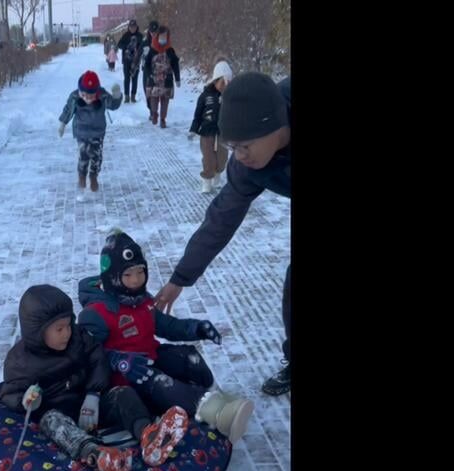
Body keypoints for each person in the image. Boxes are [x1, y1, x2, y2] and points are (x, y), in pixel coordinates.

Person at [154, 72, 293, 396]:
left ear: (274, 127)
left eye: (244, 146)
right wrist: (180, 278)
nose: (239, 156)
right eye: (232, 147)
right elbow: (220, 219)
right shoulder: (247, 167)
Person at [0, 285, 192, 471]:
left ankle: (149, 436)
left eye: (68, 324)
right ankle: (97, 456)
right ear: (37, 332)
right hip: (58, 413)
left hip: (89, 404)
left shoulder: (78, 337)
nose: (67, 333)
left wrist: (93, 394)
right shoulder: (21, 361)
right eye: (59, 329)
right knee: (53, 421)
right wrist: (27, 401)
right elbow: (9, 392)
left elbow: (98, 358)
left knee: (122, 394)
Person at [78, 231, 255, 442]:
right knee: (161, 382)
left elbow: (166, 326)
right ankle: (215, 413)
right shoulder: (97, 313)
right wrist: (118, 360)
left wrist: (196, 328)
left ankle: (217, 397)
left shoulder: (142, 301)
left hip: (149, 358)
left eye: (140, 272)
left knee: (190, 357)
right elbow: (87, 354)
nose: (136, 280)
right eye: (127, 275)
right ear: (113, 277)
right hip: (124, 378)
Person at [58, 71, 123, 193]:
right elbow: (68, 110)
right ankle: (82, 175)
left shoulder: (102, 95)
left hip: (97, 132)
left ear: (96, 92)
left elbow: (113, 105)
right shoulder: (75, 97)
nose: (87, 98)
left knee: (96, 156)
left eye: (91, 95)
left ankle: (93, 176)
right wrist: (62, 124)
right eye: (84, 95)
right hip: (81, 131)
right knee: (84, 154)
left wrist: (117, 95)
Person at [189, 59, 233, 193]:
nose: (224, 86)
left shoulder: (230, 96)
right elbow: (197, 115)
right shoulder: (205, 96)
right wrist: (193, 130)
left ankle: (218, 174)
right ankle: (206, 181)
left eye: (227, 83)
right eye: (222, 83)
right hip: (207, 132)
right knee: (208, 159)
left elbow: (237, 114)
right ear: (215, 80)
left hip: (223, 133)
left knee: (222, 158)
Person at [143, 25, 180, 128]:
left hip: (167, 78)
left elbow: (175, 64)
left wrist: (177, 78)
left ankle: (163, 119)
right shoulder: (153, 49)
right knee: (153, 98)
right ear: (158, 36)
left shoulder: (170, 50)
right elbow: (147, 64)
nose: (163, 38)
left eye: (165, 36)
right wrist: (149, 74)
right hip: (154, 78)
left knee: (165, 100)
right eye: (161, 36)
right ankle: (154, 113)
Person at [116, 20, 145, 103]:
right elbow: (119, 45)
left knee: (135, 79)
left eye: (134, 27)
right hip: (126, 60)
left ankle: (133, 96)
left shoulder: (140, 36)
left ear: (136, 27)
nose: (132, 28)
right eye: (131, 27)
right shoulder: (125, 35)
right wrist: (127, 46)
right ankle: (126, 96)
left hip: (136, 60)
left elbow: (143, 46)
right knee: (127, 79)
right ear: (129, 27)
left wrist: (138, 49)